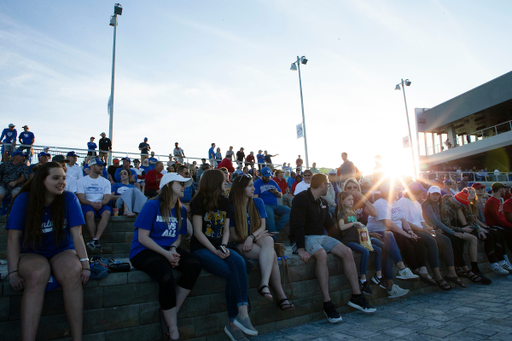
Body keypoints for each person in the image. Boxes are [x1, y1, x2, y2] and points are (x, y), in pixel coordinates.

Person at [6, 162, 89, 340]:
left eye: (64, 178)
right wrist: (12, 272)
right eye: (56, 178)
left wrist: (85, 265)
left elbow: (77, 235)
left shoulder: (69, 198)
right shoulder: (24, 200)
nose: (62, 182)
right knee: (37, 273)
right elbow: (13, 238)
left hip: (62, 250)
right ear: (42, 181)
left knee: (72, 272)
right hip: (32, 252)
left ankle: (77, 338)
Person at [289, 173, 376, 324]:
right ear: (322, 185)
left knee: (346, 252)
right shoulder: (301, 198)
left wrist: (341, 243)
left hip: (320, 237)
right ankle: (327, 303)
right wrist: (301, 249)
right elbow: (297, 224)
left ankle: (357, 295)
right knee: (321, 255)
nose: (329, 188)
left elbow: (330, 227)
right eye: (328, 185)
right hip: (304, 238)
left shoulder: (322, 202)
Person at [129, 172, 201, 341]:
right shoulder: (152, 205)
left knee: (194, 266)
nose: (184, 187)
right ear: (168, 186)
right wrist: (166, 254)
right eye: (180, 183)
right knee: (166, 275)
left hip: (168, 248)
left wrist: (174, 248)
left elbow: (177, 235)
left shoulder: (181, 209)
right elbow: (142, 237)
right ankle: (173, 328)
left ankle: (171, 311)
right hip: (143, 250)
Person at [189, 169, 258, 339]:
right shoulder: (198, 201)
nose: (226, 182)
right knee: (230, 272)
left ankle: (242, 316)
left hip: (221, 246)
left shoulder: (225, 202)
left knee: (240, 263)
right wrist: (214, 250)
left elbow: (226, 229)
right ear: (214, 181)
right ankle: (233, 324)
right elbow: (197, 232)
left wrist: (224, 246)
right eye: (224, 180)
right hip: (201, 248)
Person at [229, 173, 294, 310]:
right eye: (250, 186)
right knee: (272, 256)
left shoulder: (257, 202)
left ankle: (264, 284)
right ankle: (281, 296)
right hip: (240, 243)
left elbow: (262, 226)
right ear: (241, 188)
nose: (254, 189)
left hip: (253, 238)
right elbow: (233, 236)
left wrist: (251, 237)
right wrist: (248, 238)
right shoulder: (232, 206)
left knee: (268, 241)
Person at [336, 191, 409, 298]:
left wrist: (365, 230)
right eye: (349, 200)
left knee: (379, 249)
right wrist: (355, 223)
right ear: (342, 202)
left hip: (358, 239)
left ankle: (378, 277)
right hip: (348, 241)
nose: (352, 201)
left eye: (352, 199)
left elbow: (358, 228)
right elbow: (341, 227)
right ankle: (363, 279)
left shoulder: (353, 213)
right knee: (365, 251)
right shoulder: (342, 214)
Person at [397, 182, 463, 289]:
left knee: (446, 240)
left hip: (421, 229)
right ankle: (437, 276)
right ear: (416, 193)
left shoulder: (417, 204)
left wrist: (431, 229)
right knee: (432, 242)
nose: (422, 196)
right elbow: (406, 223)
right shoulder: (403, 202)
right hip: (412, 230)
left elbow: (422, 222)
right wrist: (426, 231)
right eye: (421, 193)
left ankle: (452, 272)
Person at [441, 191, 492, 284]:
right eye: (460, 206)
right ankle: (466, 268)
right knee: (465, 240)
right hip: (448, 230)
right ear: (457, 203)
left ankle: (474, 267)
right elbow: (446, 225)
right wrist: (462, 229)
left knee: (474, 238)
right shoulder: (445, 206)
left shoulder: (458, 201)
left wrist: (479, 230)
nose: (461, 208)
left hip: (456, 228)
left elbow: (470, 217)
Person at [75, 158, 111, 250]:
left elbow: (107, 198)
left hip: (100, 203)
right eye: (99, 165)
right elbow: (81, 198)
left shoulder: (106, 182)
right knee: (89, 214)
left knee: (107, 212)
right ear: (92, 166)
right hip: (88, 203)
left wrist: (101, 203)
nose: (101, 167)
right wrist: (92, 203)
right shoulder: (81, 181)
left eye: (102, 165)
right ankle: (95, 239)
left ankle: (95, 239)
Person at [254, 167, 291, 235]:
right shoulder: (257, 183)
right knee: (270, 216)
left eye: (269, 176)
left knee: (290, 211)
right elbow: (255, 197)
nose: (267, 178)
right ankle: (274, 239)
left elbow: (280, 195)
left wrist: (275, 192)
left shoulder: (273, 182)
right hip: (265, 205)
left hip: (275, 205)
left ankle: (275, 229)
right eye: (266, 176)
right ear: (261, 175)